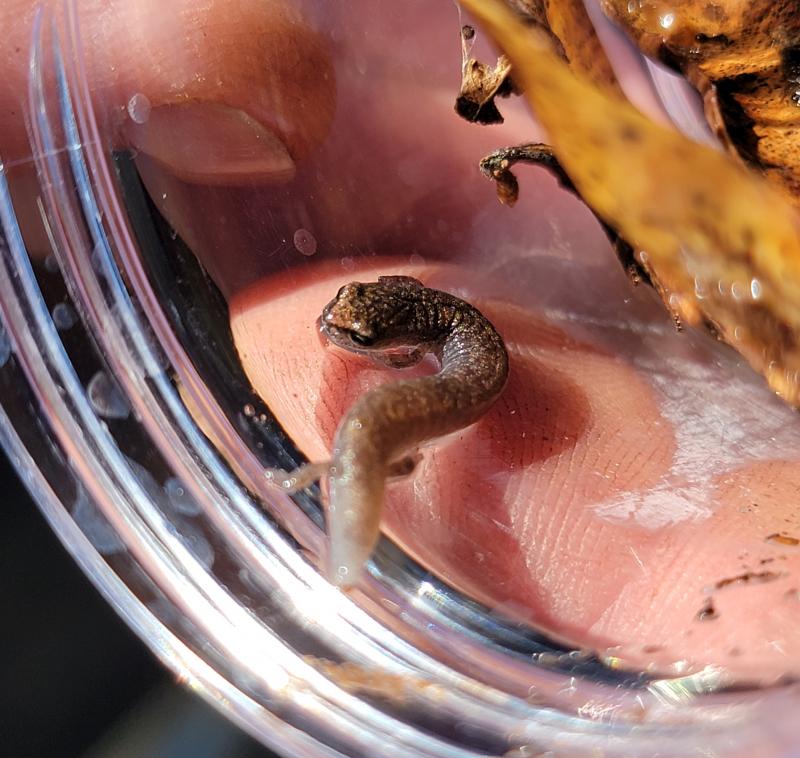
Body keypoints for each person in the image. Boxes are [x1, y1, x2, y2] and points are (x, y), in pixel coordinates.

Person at [2, 0, 799, 686]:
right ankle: (355, 473)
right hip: (459, 362)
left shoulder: (442, 350)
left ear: (401, 335)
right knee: (377, 436)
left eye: (358, 330)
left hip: (475, 378)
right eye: (356, 320)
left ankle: (356, 474)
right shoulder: (428, 328)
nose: (335, 331)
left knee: (383, 437)